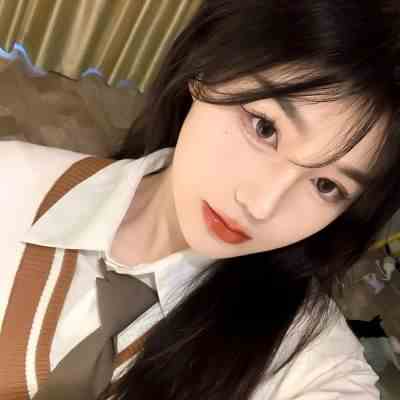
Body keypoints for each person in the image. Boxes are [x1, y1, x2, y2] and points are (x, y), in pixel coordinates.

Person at [0, 0, 399, 399]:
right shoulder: (12, 178)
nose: (260, 205)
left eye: (326, 185)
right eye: (265, 128)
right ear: (206, 67)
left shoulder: (309, 359)